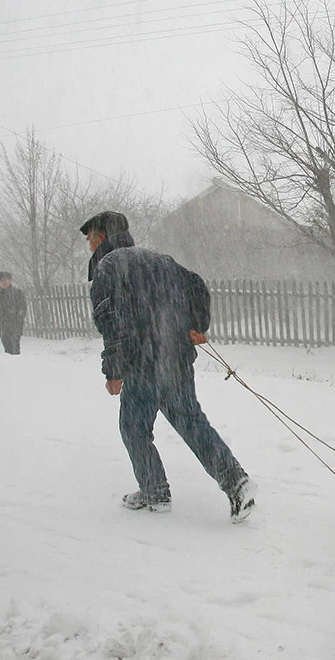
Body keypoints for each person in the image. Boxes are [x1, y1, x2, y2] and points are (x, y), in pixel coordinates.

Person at [81, 211, 256, 523]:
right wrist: (196, 323)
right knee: (191, 423)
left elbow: (111, 321)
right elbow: (196, 285)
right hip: (174, 358)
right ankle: (237, 483)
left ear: (103, 236)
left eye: (91, 238)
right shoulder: (159, 259)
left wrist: (114, 370)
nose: (88, 245)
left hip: (141, 362)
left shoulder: (108, 267)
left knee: (134, 428)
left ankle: (154, 491)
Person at [0, 271, 27, 355]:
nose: (4, 282)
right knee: (6, 346)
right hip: (2, 324)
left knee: (15, 346)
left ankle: (16, 362)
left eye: (5, 280)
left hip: (15, 324)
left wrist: (19, 316)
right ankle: (9, 364)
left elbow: (23, 307)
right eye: (1, 281)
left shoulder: (17, 292)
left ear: (10, 280)